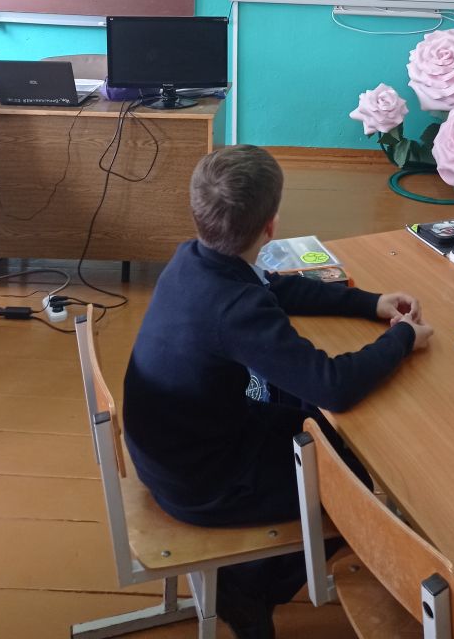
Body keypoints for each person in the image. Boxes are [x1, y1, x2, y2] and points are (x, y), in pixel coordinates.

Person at [123, 145, 431, 639]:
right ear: (271, 226)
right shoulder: (234, 309)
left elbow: (273, 288)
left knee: (311, 420)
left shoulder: (194, 258)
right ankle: (250, 588)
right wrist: (402, 339)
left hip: (175, 448)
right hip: (200, 484)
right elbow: (334, 385)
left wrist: (368, 302)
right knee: (349, 481)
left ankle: (251, 578)